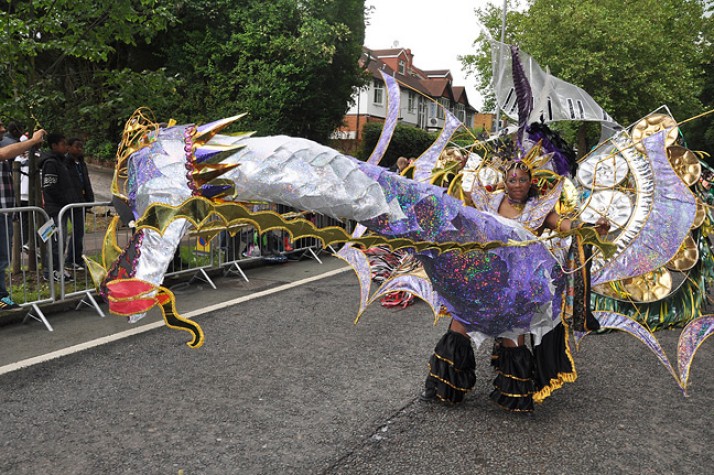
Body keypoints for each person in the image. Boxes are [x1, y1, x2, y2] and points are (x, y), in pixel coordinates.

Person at [420, 159, 609, 412]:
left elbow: (567, 226)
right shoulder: (489, 202)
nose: (517, 184)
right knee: (460, 326)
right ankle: (443, 386)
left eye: (522, 179)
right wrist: (451, 174)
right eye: (512, 179)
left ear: (531, 182)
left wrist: (593, 228)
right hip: (485, 279)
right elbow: (459, 206)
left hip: (517, 288)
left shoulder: (539, 209)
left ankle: (514, 395)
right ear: (505, 182)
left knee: (513, 336)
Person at [0, 122, 45, 310]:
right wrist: (33, 140)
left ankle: (2, 295)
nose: (3, 130)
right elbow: (4, 153)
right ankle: (1, 297)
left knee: (3, 256)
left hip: (5, 211)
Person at [40, 133, 81, 282]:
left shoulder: (61, 162)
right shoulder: (51, 163)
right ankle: (51, 271)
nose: (66, 147)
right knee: (56, 241)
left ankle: (57, 268)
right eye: (63, 144)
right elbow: (50, 187)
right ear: (54, 146)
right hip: (55, 209)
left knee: (60, 240)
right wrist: (64, 201)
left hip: (61, 208)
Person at [64, 138, 94, 270]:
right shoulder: (65, 163)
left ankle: (77, 257)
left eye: (81, 147)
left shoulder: (81, 163)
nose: (79, 149)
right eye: (77, 146)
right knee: (74, 230)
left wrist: (89, 198)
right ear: (69, 147)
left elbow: (86, 181)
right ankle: (70, 259)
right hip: (71, 201)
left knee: (79, 231)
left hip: (81, 200)